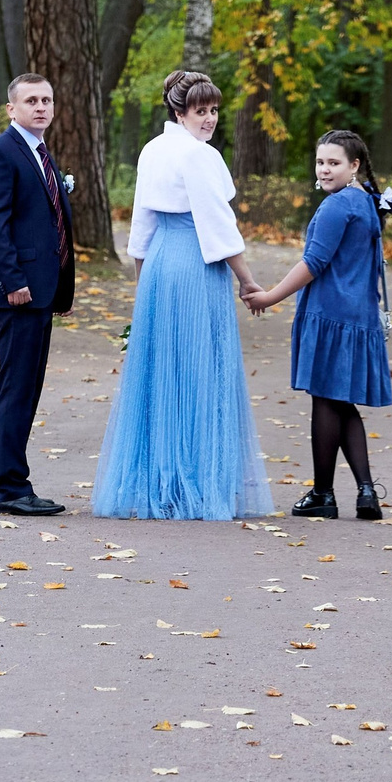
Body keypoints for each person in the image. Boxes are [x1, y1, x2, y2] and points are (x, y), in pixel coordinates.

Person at [91, 71, 276, 520]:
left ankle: (163, 481)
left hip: (159, 265)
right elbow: (217, 224)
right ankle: (195, 482)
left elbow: (142, 222)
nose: (210, 119)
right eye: (201, 111)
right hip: (196, 266)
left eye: (214, 111)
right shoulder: (199, 156)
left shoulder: (153, 150)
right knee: (197, 368)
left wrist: (143, 279)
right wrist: (248, 281)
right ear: (180, 111)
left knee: (162, 370)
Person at [244, 129, 392, 520]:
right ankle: (365, 493)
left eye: (334, 163)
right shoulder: (366, 202)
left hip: (331, 317)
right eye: (320, 162)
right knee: (342, 403)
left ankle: (324, 494)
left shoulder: (336, 206)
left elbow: (313, 263)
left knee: (326, 401)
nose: (325, 170)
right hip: (359, 317)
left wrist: (269, 297)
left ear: (354, 165)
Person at [0, 73, 74, 517]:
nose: (41, 107)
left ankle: (15, 481)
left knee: (28, 387)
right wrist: (13, 282)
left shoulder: (41, 154)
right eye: (31, 100)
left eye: (47, 100)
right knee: (17, 387)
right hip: (17, 293)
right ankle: (9, 488)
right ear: (11, 108)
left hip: (42, 293)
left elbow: (53, 225)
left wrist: (62, 288)